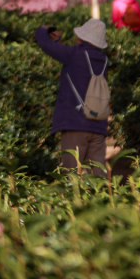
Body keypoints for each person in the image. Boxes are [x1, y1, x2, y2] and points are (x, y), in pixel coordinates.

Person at [35, 18, 108, 175]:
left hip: (75, 123)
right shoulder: (104, 61)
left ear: (81, 38)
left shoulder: (74, 55)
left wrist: (43, 30)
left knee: (71, 175)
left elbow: (45, 44)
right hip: (98, 125)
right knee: (97, 177)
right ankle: (103, 200)